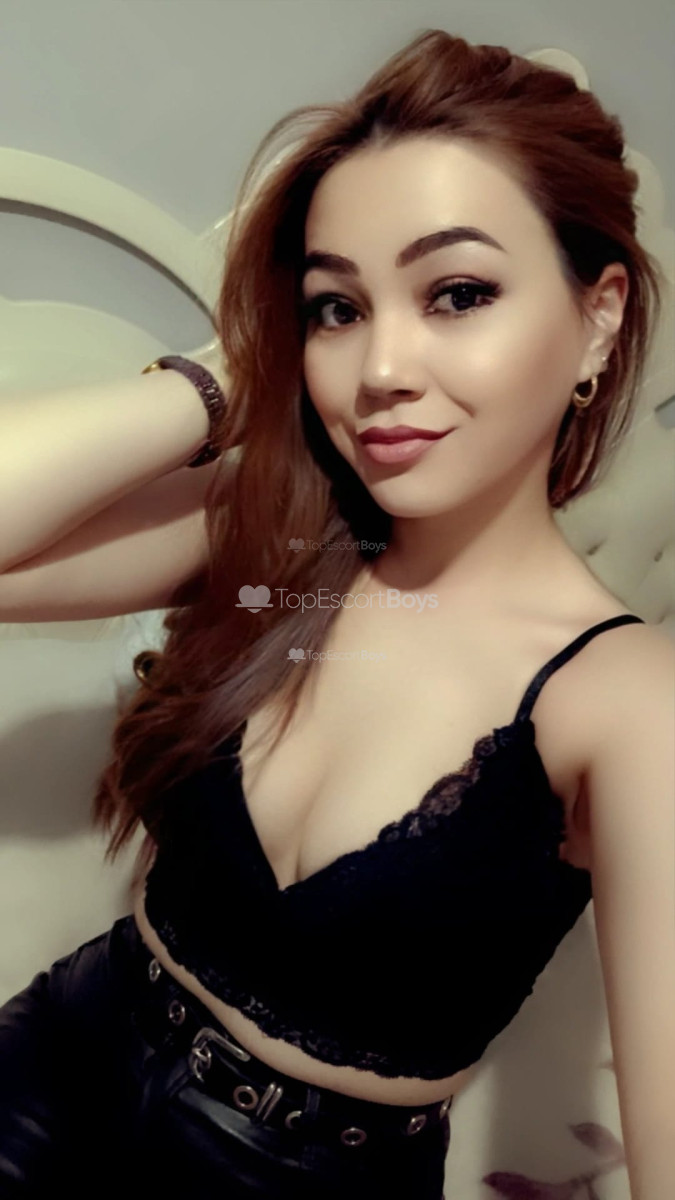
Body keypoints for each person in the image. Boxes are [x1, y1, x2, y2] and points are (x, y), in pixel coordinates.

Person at [0, 27, 673, 1200]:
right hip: (49, 1072)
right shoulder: (276, 539)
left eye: (457, 293)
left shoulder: (623, 701)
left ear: (599, 317)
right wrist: (229, 374)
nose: (381, 370)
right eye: (336, 308)